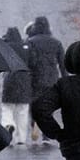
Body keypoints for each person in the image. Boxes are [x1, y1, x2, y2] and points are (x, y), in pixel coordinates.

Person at [21, 15, 65, 144]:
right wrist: (66, 81)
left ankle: (35, 125)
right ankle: (46, 134)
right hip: (52, 80)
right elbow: (62, 64)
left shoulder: (30, 42)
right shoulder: (56, 43)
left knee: (33, 105)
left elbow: (27, 62)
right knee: (48, 106)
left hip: (34, 80)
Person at [0, 26, 34, 141]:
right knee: (23, 110)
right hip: (24, 80)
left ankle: (8, 126)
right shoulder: (27, 47)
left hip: (10, 79)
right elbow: (33, 62)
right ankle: (21, 139)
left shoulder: (7, 47)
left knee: (7, 107)